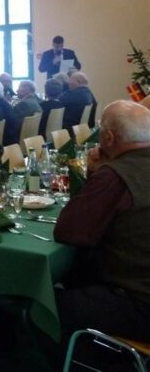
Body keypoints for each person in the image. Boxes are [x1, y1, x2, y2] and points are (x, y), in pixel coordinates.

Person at [50, 101, 150, 363]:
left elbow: (69, 231)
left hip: (137, 302)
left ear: (108, 137)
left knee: (42, 305)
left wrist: (94, 174)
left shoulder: (115, 176)